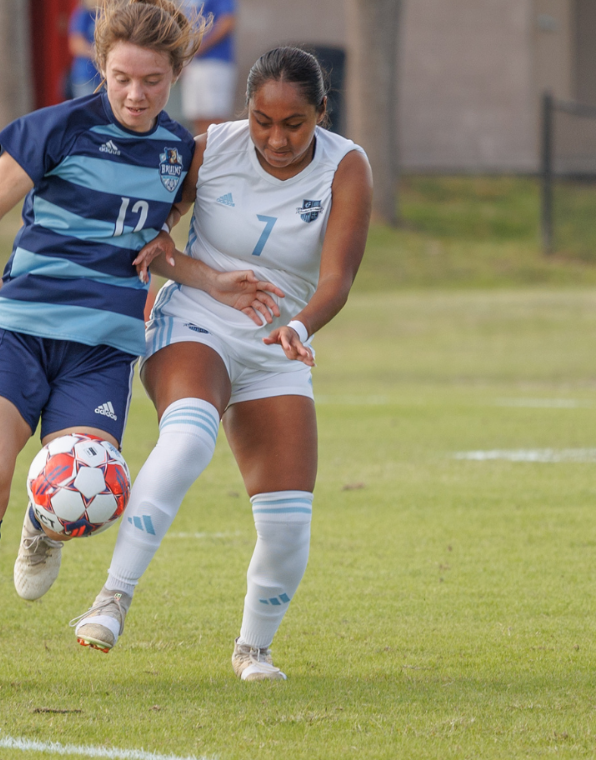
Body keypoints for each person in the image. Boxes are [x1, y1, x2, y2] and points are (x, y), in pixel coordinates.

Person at [0, 0, 282, 695]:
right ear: (100, 66)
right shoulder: (57, 127)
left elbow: (153, 249)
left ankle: (46, 523)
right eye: (120, 78)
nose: (135, 94)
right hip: (18, 330)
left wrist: (211, 278)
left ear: (174, 76)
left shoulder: (177, 152)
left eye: (151, 81)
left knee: (93, 494)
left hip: (104, 348)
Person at [71, 46, 372, 682]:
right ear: (248, 112)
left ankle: (252, 650)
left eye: (294, 124)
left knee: (289, 525)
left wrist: (298, 325)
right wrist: (185, 256)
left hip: (277, 343)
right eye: (264, 121)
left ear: (322, 112)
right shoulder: (211, 147)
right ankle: (112, 598)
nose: (277, 139)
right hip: (196, 321)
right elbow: (158, 234)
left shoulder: (347, 167)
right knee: (186, 440)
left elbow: (337, 279)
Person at [178, 0, 238, 135]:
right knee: (196, 115)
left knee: (215, 117)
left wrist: (202, 45)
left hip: (214, 61)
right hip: (194, 63)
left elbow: (227, 21)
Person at [67, 0, 116, 99]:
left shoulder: (115, 14)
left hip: (111, 76)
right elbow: (76, 44)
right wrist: (99, 55)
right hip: (87, 76)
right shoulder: (84, 13)